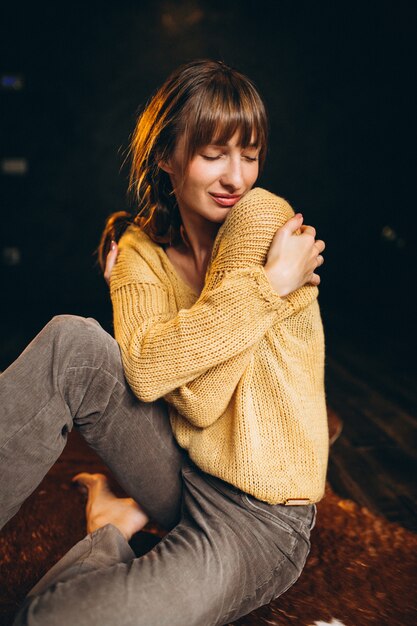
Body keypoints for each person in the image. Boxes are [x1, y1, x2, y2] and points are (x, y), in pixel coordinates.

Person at [0, 59, 328, 626]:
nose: (236, 178)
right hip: (179, 471)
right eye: (212, 154)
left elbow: (197, 399)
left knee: (46, 620)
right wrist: (270, 285)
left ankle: (110, 529)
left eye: (249, 156)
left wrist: (251, 288)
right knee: (71, 342)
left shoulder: (262, 218)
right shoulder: (138, 250)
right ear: (166, 157)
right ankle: (124, 518)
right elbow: (150, 374)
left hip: (260, 520)